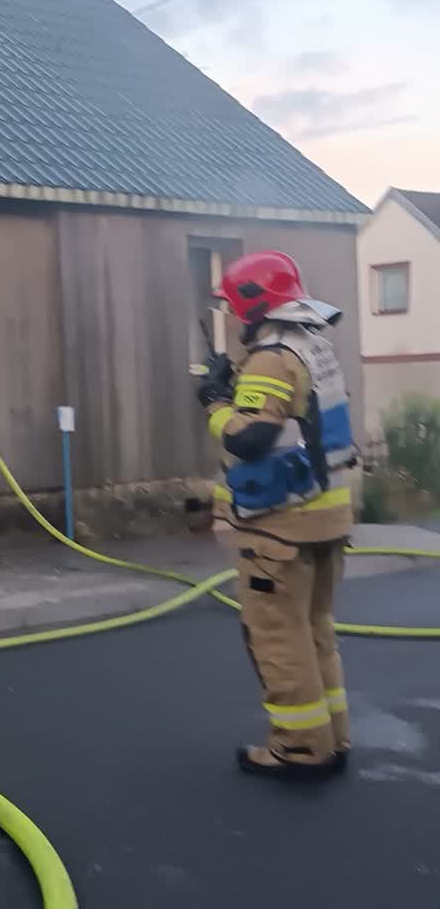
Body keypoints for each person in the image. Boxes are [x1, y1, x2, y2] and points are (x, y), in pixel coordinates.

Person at [197, 250, 357, 779]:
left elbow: (253, 439)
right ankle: (332, 737)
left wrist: (214, 402)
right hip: (326, 518)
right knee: (314, 632)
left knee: (279, 641)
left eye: (231, 306)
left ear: (252, 304)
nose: (229, 317)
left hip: (280, 529)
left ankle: (300, 748)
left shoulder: (269, 358)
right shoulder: (314, 346)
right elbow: (298, 426)